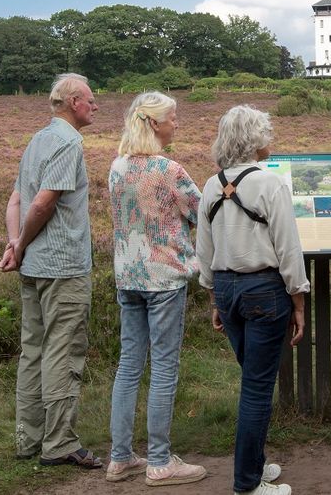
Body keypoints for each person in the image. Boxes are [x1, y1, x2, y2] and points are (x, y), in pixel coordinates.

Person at [196, 105, 310, 495]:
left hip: (227, 290)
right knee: (257, 388)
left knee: (253, 380)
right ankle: (247, 484)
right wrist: (299, 301)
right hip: (265, 291)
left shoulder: (211, 185)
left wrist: (215, 298)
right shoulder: (270, 184)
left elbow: (205, 250)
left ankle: (255, 466)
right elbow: (288, 248)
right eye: (266, 131)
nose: (270, 138)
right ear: (254, 139)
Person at [103, 91, 208, 486]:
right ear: (154, 123)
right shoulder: (169, 169)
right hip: (163, 278)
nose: (176, 123)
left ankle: (120, 458)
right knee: (164, 367)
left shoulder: (117, 167)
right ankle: (161, 462)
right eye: (172, 118)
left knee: (129, 364)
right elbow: (201, 212)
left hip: (128, 275)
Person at [0, 73, 103, 469]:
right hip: (62, 267)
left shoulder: (37, 140)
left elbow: (16, 201)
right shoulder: (67, 142)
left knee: (34, 351)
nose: (95, 106)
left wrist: (15, 244)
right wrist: (21, 244)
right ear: (74, 102)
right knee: (63, 350)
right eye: (90, 100)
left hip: (34, 266)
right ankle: (59, 443)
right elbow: (42, 203)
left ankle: (28, 439)